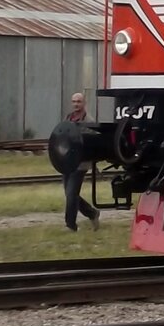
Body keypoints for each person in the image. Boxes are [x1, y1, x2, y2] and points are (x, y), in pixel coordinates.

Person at [62, 93, 100, 232]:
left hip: (81, 163)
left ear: (84, 103)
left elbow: (92, 143)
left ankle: (71, 225)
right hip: (67, 162)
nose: (76, 104)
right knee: (70, 194)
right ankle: (92, 213)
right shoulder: (68, 118)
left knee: (71, 194)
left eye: (78, 101)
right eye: (74, 101)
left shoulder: (88, 121)